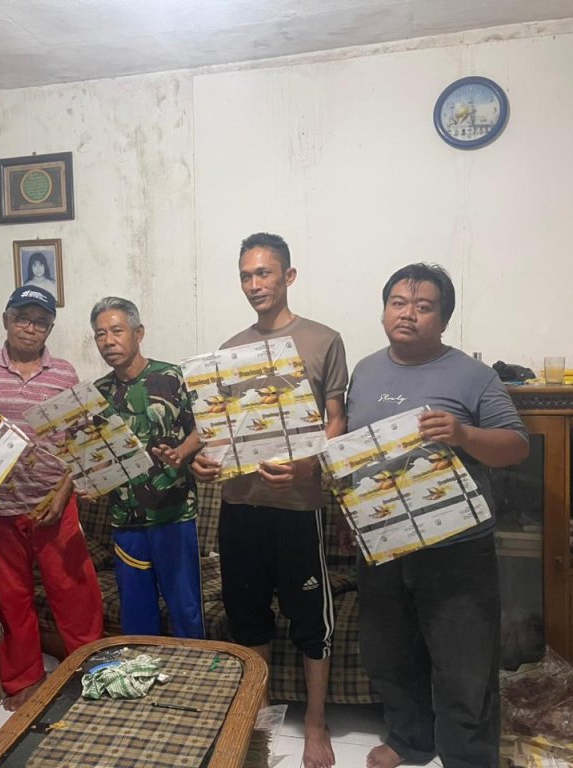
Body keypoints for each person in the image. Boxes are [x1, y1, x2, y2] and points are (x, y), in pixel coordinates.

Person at [346, 263, 529, 768]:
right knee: (390, 654)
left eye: (423, 306)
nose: (408, 314)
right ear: (384, 311)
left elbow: (517, 446)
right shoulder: (364, 371)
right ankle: (410, 740)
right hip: (382, 543)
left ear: (443, 320)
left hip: (456, 548)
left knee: (464, 665)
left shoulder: (473, 376)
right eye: (398, 303)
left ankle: (468, 757)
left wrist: (464, 434)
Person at [191, 232, 347, 768]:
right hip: (240, 504)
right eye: (246, 275)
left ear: (288, 276)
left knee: (310, 620)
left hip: (298, 507)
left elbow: (336, 420)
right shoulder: (229, 350)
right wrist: (203, 459)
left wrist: (308, 464)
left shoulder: (324, 340)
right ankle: (256, 719)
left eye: (264, 273)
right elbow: (218, 429)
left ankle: (316, 722)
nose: (255, 284)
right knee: (247, 615)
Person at [0, 286, 103, 711]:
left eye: (41, 322)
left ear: (50, 328)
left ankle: (90, 672)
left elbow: (81, 442)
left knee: (76, 594)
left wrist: (63, 494)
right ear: (6, 319)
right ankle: (24, 681)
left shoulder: (65, 373)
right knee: (11, 599)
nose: (30, 328)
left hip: (55, 504)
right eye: (23, 318)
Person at [90, 296, 205, 639]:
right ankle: (143, 672)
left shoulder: (171, 377)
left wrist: (182, 452)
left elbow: (205, 426)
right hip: (126, 520)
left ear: (138, 333)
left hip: (174, 515)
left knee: (185, 609)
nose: (108, 341)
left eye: (117, 331)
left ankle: (195, 670)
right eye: (100, 334)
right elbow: (95, 455)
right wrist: (90, 483)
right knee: (137, 616)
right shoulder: (98, 393)